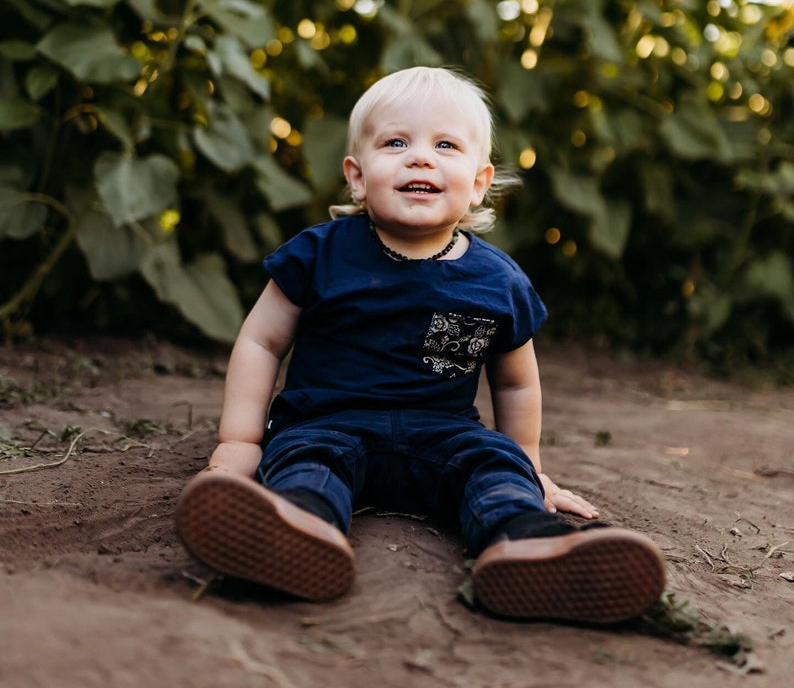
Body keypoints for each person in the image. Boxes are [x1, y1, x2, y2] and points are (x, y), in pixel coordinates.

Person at [176, 66, 666, 623]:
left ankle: (527, 542)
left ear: (479, 182)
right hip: (326, 423)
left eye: (445, 145)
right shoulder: (319, 253)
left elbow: (516, 380)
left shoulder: (497, 280)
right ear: (357, 178)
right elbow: (261, 342)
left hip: (444, 435)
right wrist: (239, 441)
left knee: (493, 469)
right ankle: (296, 529)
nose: (420, 157)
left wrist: (529, 467)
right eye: (397, 142)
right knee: (304, 464)